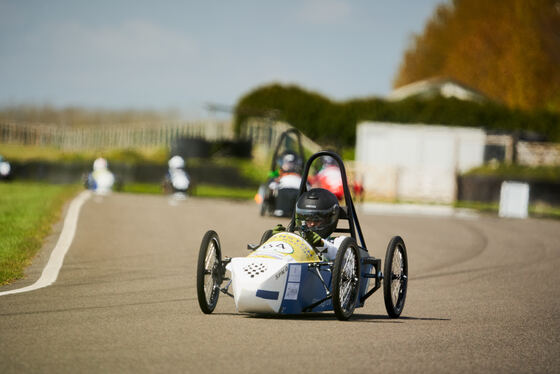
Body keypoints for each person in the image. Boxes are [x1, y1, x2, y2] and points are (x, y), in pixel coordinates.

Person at [271, 188, 345, 261]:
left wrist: (319, 244)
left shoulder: (339, 242)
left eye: (317, 220)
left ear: (329, 219)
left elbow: (334, 254)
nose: (312, 224)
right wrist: (277, 240)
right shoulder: (296, 240)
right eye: (308, 220)